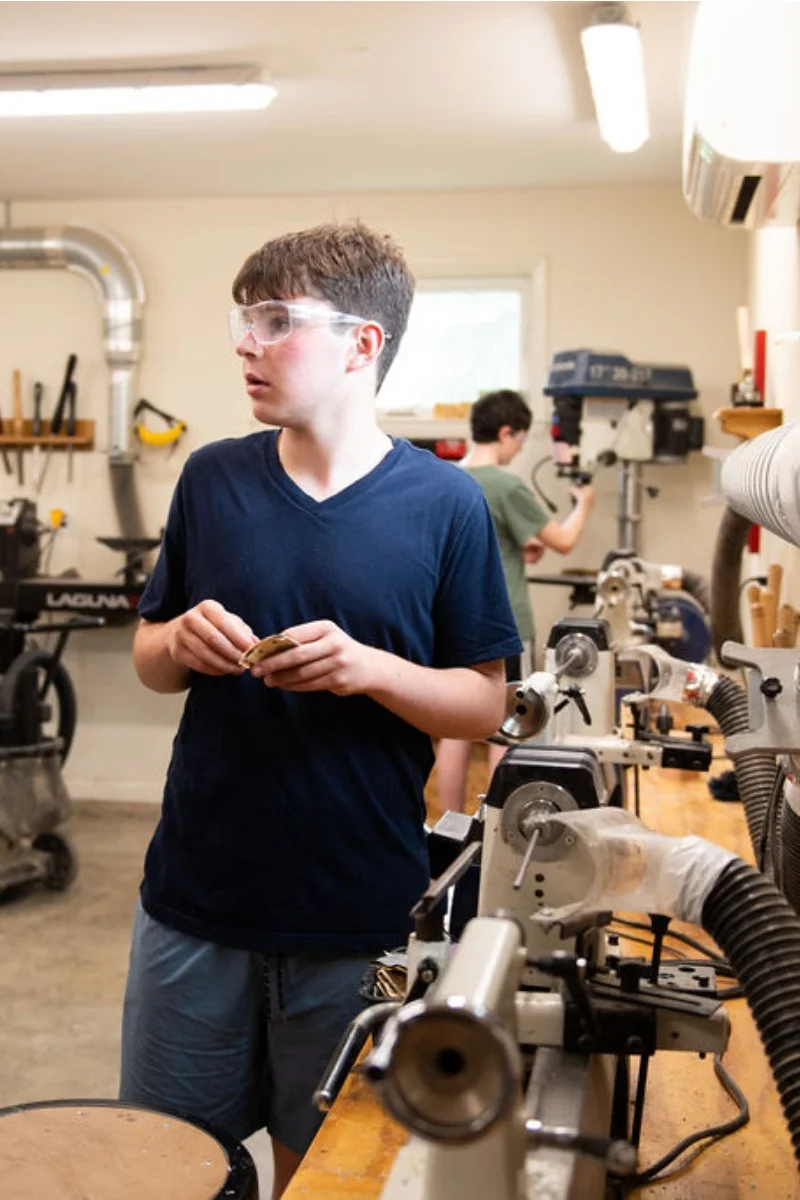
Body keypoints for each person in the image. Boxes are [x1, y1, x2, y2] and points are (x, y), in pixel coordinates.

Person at [119, 222, 522, 1198]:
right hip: (195, 908)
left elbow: (481, 697)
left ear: (360, 343)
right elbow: (149, 658)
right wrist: (179, 644)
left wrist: (368, 670)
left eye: (275, 322)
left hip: (352, 917)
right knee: (169, 1170)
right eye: (240, 322)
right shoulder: (214, 478)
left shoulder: (444, 504)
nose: (244, 344)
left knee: (326, 1178)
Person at [435, 388, 595, 813]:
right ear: (506, 433)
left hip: (450, 622)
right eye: (521, 440)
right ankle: (491, 830)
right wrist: (584, 505)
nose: (519, 449)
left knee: (453, 727)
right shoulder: (507, 485)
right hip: (501, 624)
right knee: (505, 726)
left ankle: (448, 827)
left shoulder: (446, 476)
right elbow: (563, 541)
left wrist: (514, 547)